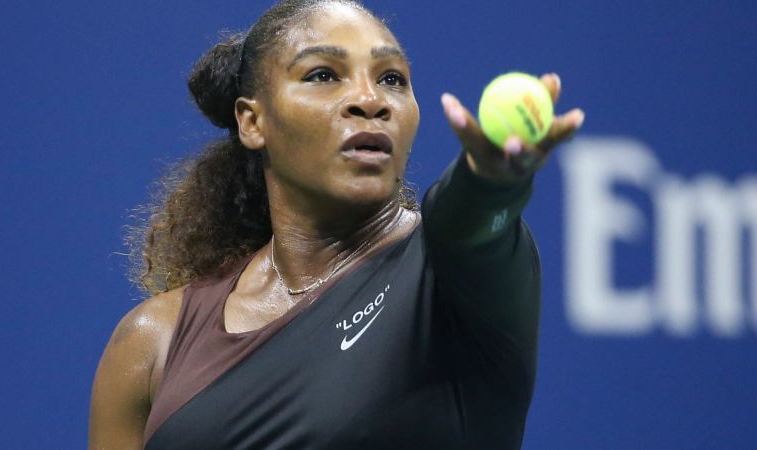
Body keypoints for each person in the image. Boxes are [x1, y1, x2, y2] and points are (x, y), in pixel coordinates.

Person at [88, 0, 584, 448]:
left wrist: (489, 180)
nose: (370, 99)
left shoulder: (451, 272)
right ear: (252, 122)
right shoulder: (154, 341)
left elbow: (467, 219)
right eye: (324, 74)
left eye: (392, 79)